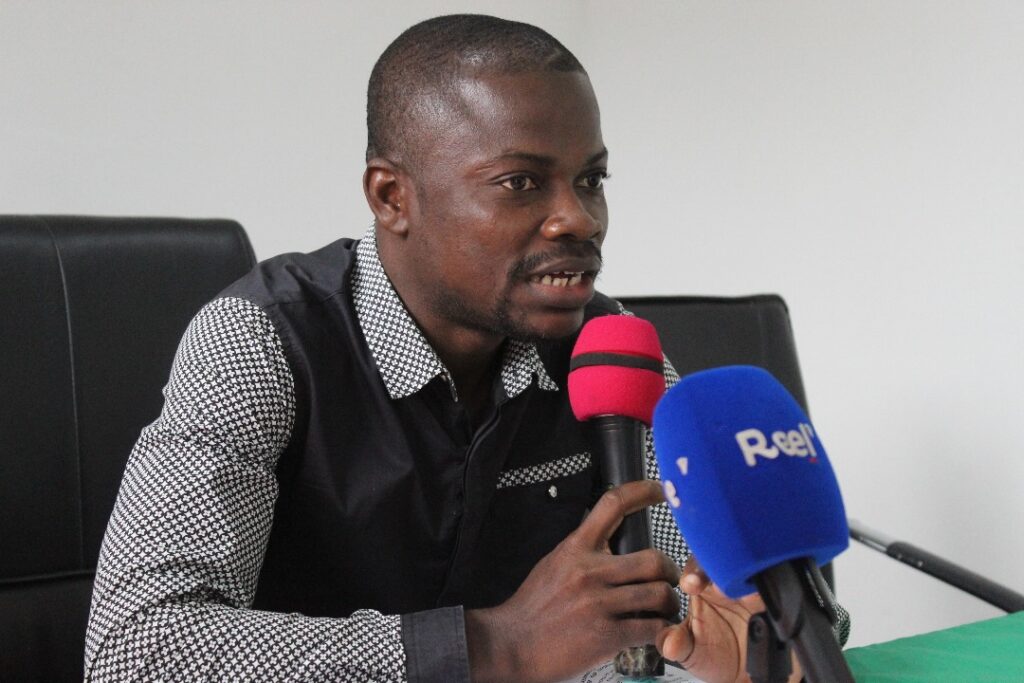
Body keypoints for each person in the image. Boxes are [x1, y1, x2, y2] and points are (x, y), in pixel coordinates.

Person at [85, 14, 844, 683]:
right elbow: (134, 651)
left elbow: (710, 597)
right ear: (392, 197)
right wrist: (493, 645)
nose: (579, 218)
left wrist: (752, 647)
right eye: (521, 183)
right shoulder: (263, 339)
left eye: (591, 179)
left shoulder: (608, 350)